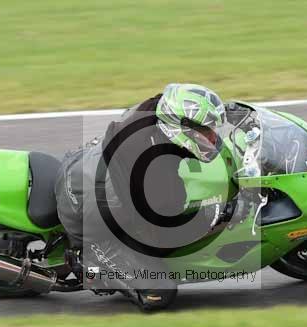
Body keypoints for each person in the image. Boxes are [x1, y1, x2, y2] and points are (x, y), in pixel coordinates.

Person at [55, 83, 228, 310]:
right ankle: (91, 262)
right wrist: (213, 215)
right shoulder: (158, 178)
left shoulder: (155, 109)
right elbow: (164, 236)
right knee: (160, 291)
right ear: (181, 130)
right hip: (82, 212)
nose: (213, 137)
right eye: (206, 131)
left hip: (83, 162)